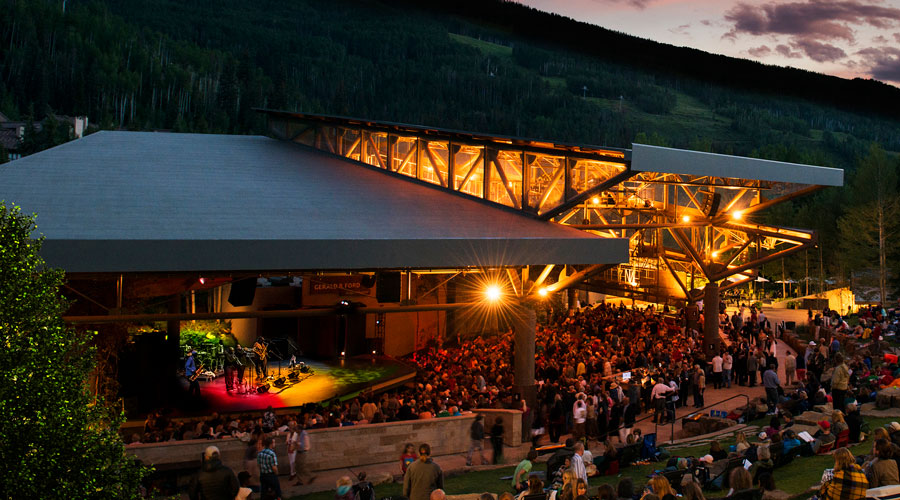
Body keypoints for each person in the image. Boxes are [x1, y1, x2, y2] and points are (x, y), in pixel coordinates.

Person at [257, 436, 282, 500]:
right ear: (271, 444)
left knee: (264, 492)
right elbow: (274, 467)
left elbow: (259, 465)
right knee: (277, 492)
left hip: (263, 475)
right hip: (271, 475)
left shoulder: (260, 453)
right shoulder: (272, 454)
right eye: (274, 442)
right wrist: (276, 474)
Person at [293, 419, 316, 486]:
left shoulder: (304, 435)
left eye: (296, 429)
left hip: (302, 452)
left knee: (302, 467)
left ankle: (311, 476)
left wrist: (297, 443)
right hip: (299, 452)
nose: (295, 431)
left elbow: (303, 445)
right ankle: (300, 480)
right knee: (297, 467)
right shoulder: (299, 434)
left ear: (300, 429)